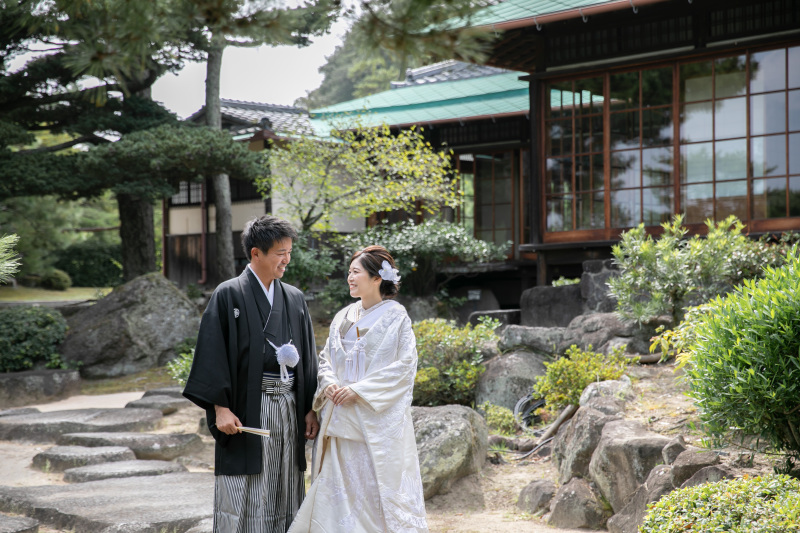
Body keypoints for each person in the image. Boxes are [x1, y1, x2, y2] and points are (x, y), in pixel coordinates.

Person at [183, 215, 319, 533]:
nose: (286, 259)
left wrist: (311, 407)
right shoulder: (228, 295)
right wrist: (220, 407)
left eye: (289, 251)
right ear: (255, 253)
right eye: (279, 253)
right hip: (248, 409)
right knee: (247, 487)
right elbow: (212, 353)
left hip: (288, 407)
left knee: (285, 481)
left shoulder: (295, 298)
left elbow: (309, 356)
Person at [288, 245, 428, 533]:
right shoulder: (343, 316)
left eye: (355, 272)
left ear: (377, 278)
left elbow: (404, 366)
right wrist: (329, 384)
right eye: (349, 272)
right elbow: (325, 359)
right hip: (338, 416)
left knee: (371, 489)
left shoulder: (397, 317)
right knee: (335, 488)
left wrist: (360, 391)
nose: (349, 278)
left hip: (372, 422)